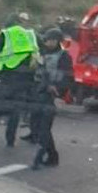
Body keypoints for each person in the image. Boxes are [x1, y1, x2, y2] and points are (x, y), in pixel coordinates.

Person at [0, 12, 39, 147]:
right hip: (24, 79)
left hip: (6, 76)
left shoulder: (6, 33)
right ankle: (10, 140)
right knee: (15, 112)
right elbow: (38, 53)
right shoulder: (30, 35)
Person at [29, 28, 74, 170]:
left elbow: (67, 77)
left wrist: (58, 91)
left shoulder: (64, 57)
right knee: (35, 125)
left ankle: (46, 157)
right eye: (47, 40)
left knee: (44, 129)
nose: (47, 42)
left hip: (52, 96)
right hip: (38, 93)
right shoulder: (42, 54)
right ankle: (51, 154)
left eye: (50, 40)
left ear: (56, 41)